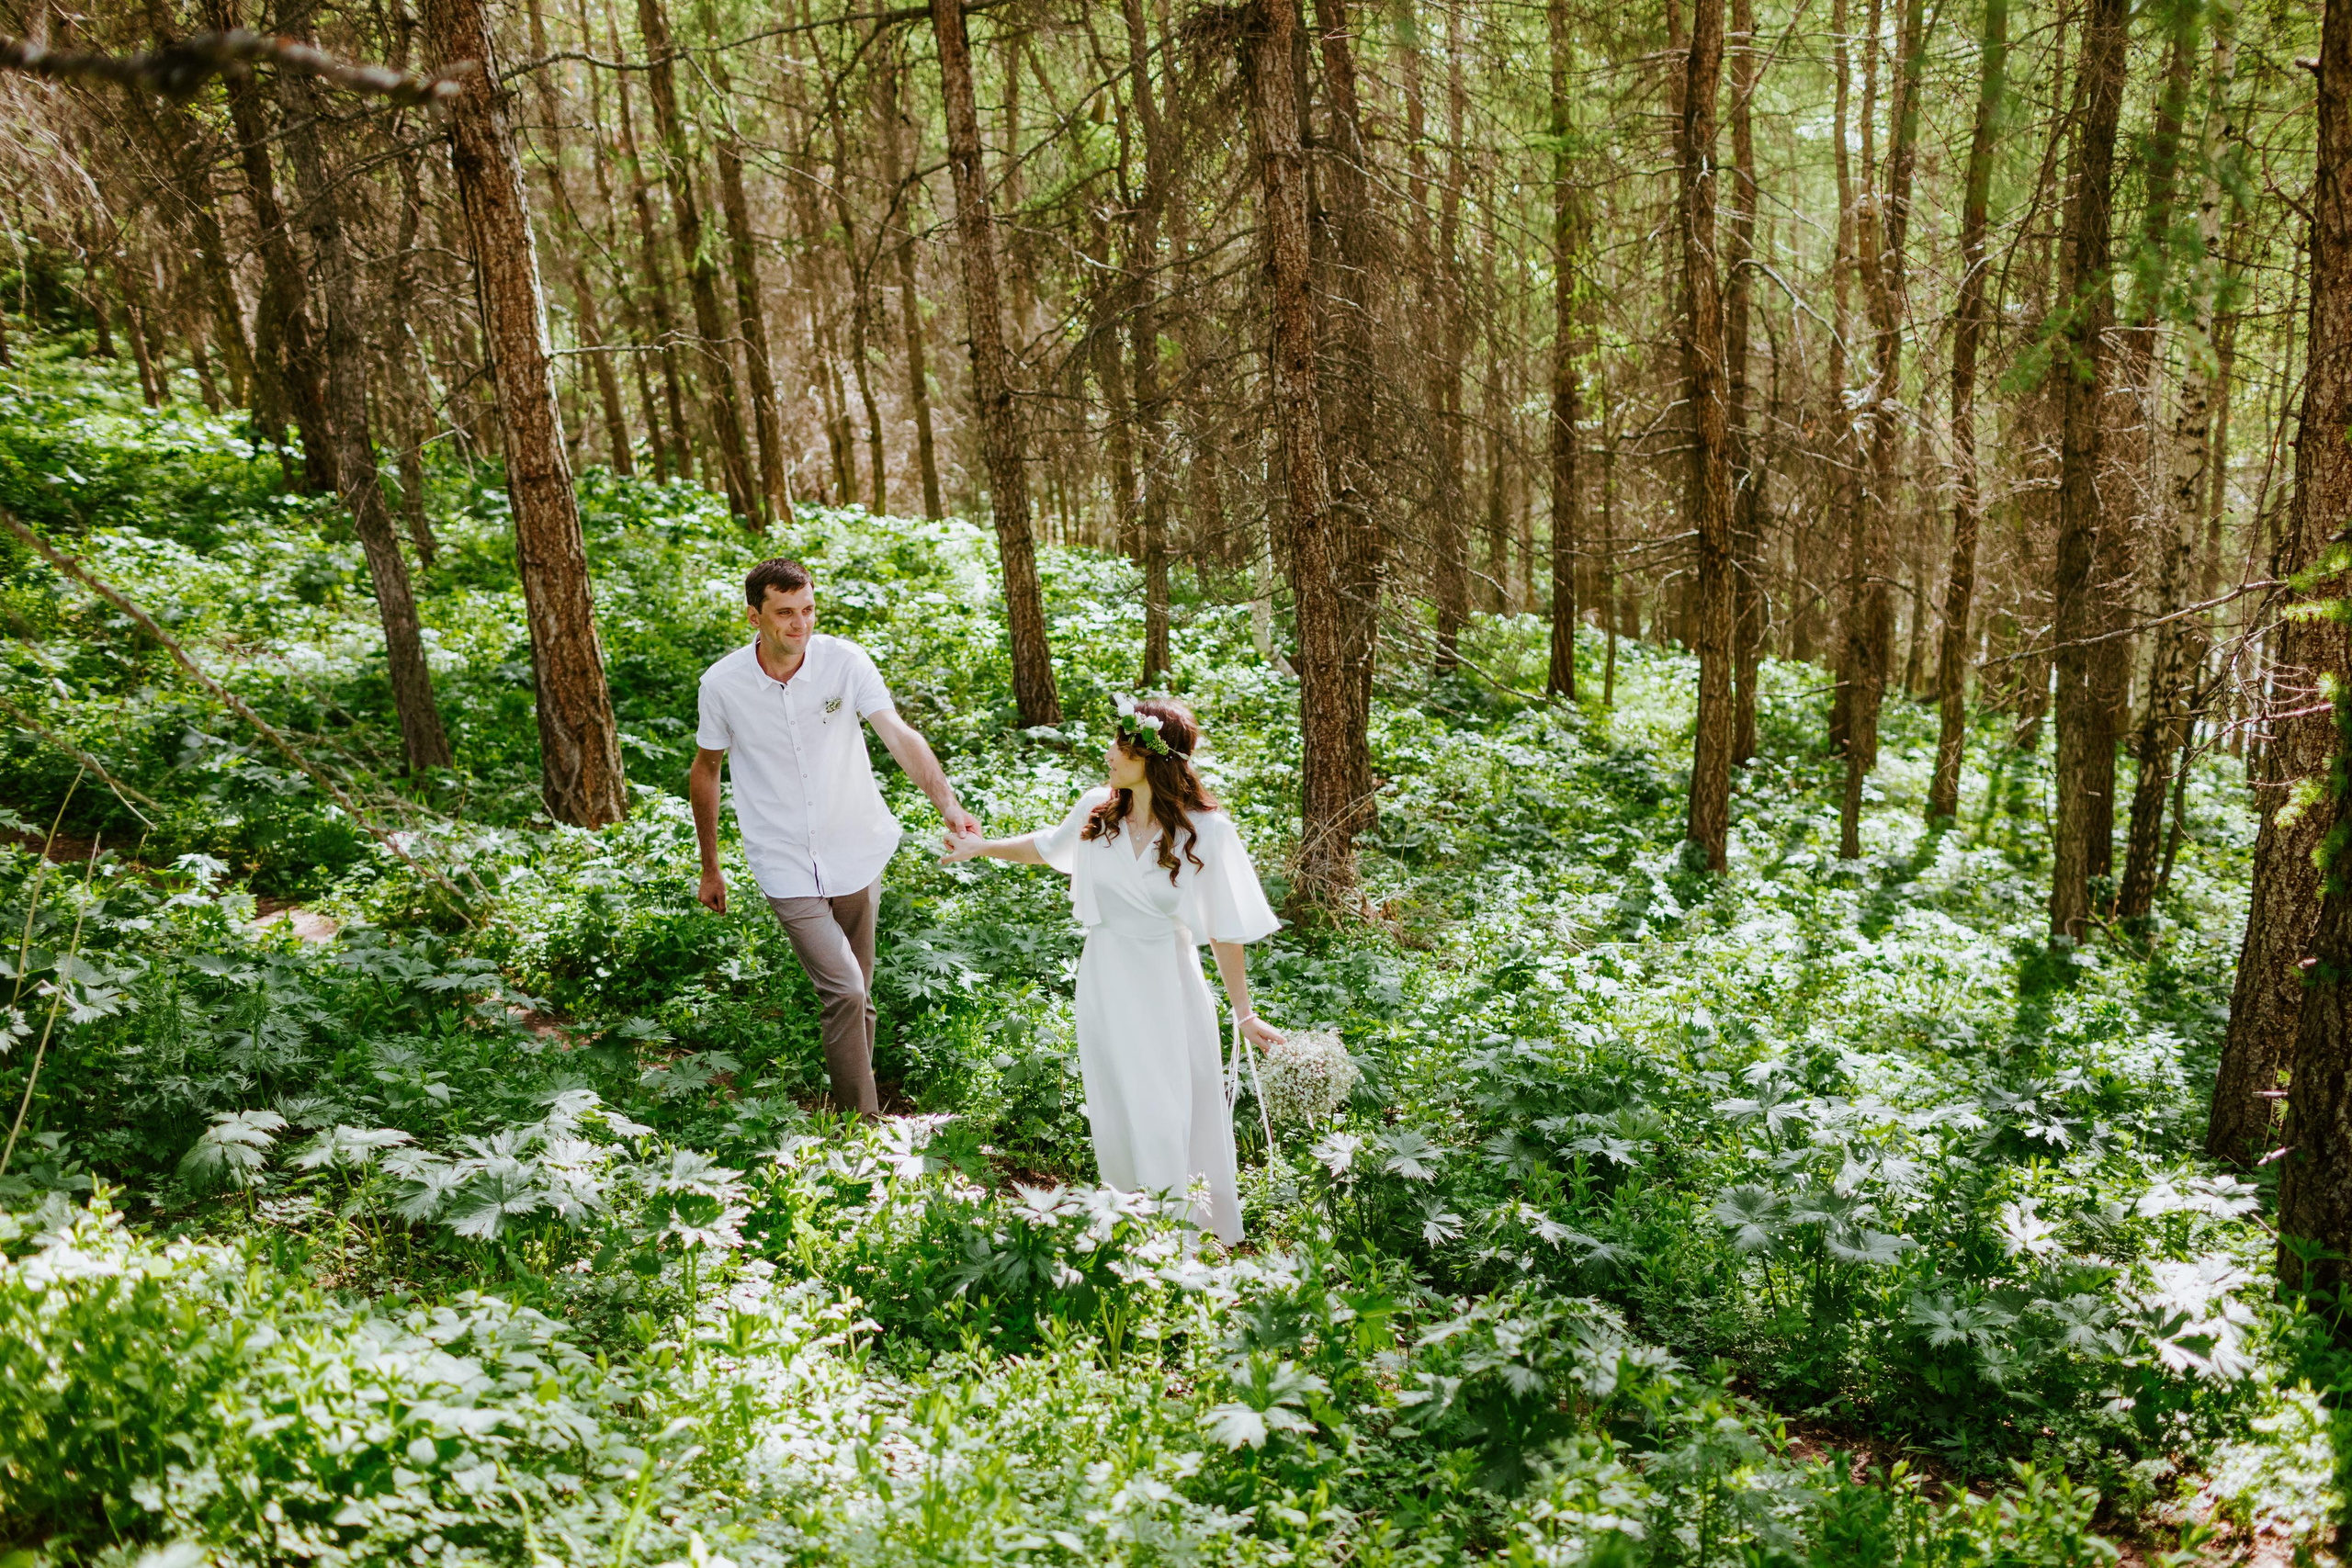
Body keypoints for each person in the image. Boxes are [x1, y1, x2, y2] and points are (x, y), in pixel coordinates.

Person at [942, 697, 1284, 1245]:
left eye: (1122, 745)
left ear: (1154, 756)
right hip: (1104, 978)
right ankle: (1131, 1227)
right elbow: (1046, 848)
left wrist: (1244, 1015)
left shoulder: (1207, 831)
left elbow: (1224, 929)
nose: (1109, 753)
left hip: (1166, 983)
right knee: (1118, 1105)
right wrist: (981, 847)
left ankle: (1179, 1236)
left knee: (1166, 1109)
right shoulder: (1097, 811)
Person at [690, 558, 978, 1115]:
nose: (799, 624)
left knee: (858, 993)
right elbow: (706, 770)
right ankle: (862, 1123)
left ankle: (853, 1113)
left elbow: (897, 734)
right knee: (844, 988)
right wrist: (711, 865)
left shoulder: (845, 662)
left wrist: (947, 803)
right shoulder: (722, 685)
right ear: (754, 616)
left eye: (807, 609)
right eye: (784, 613)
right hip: (783, 860)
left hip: (856, 849)